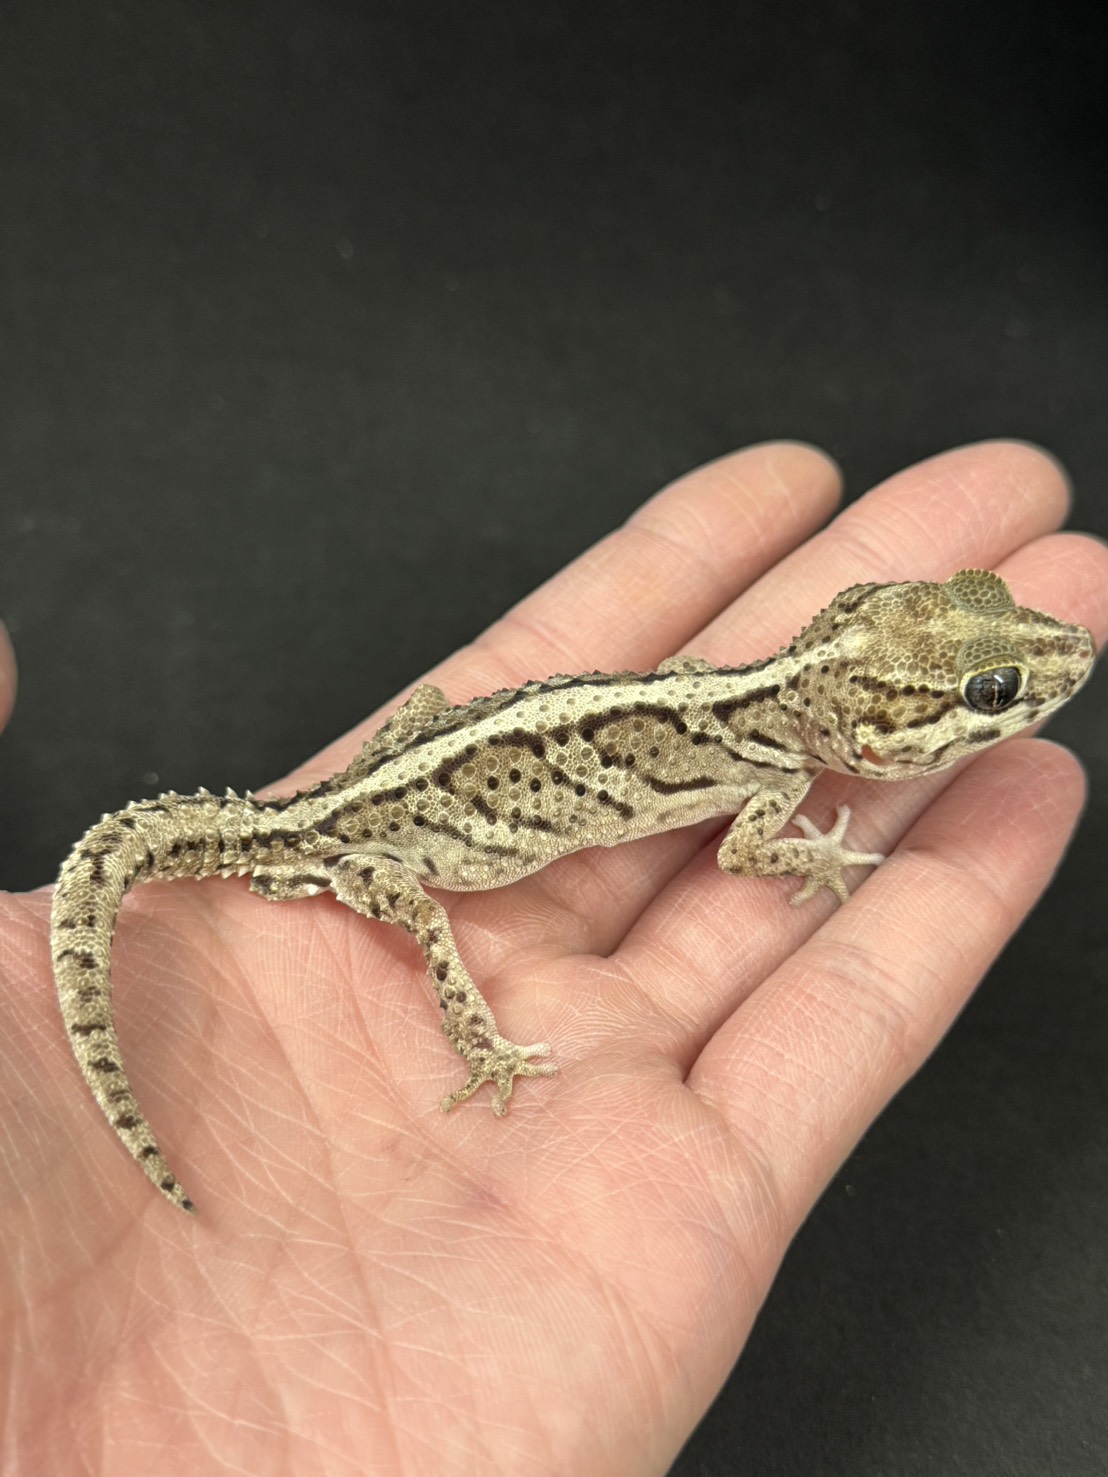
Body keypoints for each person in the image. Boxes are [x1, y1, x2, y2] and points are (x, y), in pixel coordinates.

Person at [1, 440, 1103, 1474]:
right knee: (425, 917)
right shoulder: (772, 767)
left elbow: (703, 801)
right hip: (370, 837)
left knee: (411, 781)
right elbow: (743, 849)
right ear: (866, 736)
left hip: (398, 782)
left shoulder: (749, 719)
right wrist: (817, 854)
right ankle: (466, 1031)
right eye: (988, 693)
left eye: (987, 680)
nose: (1050, 667)